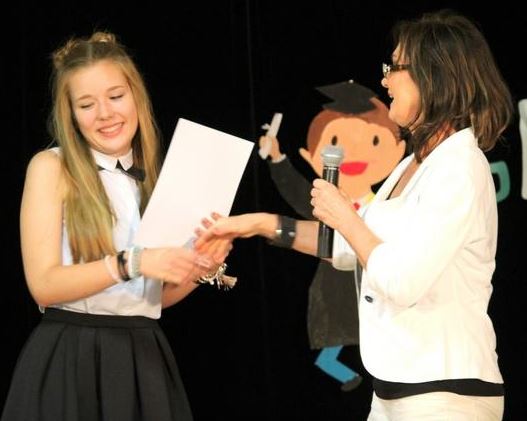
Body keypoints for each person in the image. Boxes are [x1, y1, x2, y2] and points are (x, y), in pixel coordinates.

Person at [197, 9, 513, 420]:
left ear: (433, 76)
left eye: (394, 68)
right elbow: (345, 248)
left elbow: (401, 281)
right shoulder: (414, 164)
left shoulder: (459, 168)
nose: (384, 81)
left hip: (443, 395)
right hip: (394, 393)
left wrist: (345, 217)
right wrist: (256, 224)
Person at [1, 31, 232, 421]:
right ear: (71, 115)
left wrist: (200, 267)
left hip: (143, 354)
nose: (105, 114)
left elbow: (148, 299)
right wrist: (132, 262)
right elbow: (43, 284)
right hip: (73, 354)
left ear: (136, 96)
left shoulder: (151, 178)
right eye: (87, 104)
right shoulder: (51, 167)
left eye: (115, 96)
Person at [258, 81, 404, 391]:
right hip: (334, 280)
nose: (355, 153)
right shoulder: (321, 198)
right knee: (334, 337)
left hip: (375, 281)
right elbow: (297, 193)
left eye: (374, 141)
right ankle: (342, 372)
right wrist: (278, 158)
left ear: (399, 150)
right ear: (310, 155)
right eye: (336, 141)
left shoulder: (388, 202)